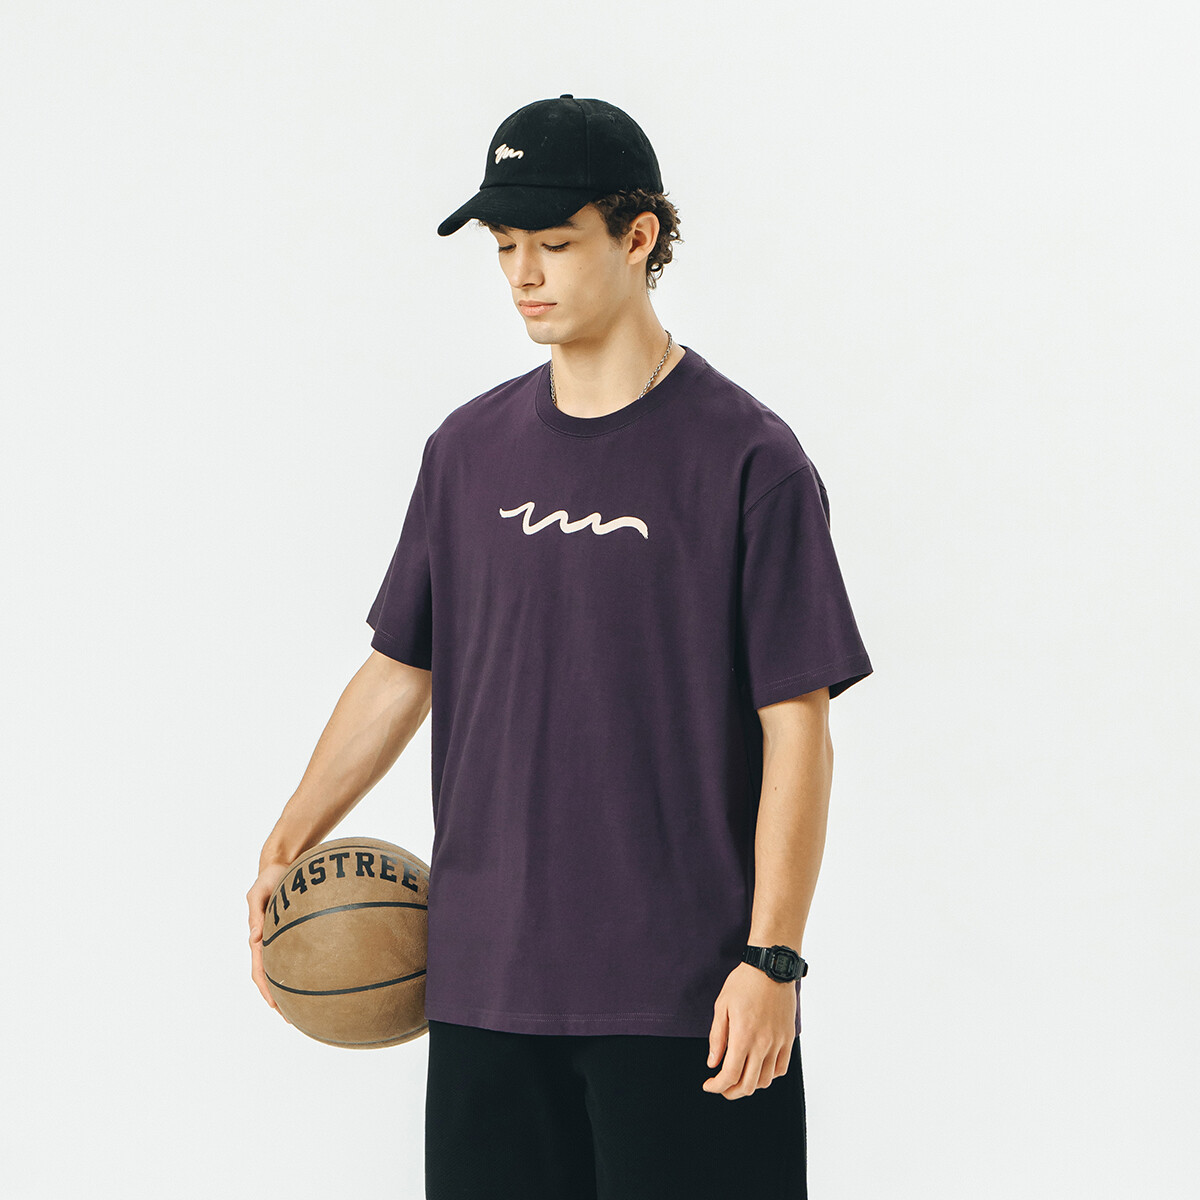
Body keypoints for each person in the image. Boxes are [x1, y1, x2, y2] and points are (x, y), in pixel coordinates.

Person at [247, 94, 873, 1200]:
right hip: (485, 989)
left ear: (639, 237)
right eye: (504, 247)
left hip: (686, 998)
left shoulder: (749, 460)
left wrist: (772, 957)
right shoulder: (466, 452)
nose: (524, 274)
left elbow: (799, 731)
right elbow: (400, 669)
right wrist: (288, 842)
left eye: (554, 242)